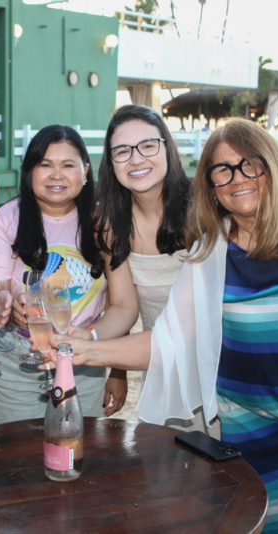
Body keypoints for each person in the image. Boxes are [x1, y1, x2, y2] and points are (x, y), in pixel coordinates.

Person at [48, 118, 278, 533]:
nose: (237, 178)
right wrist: (87, 350)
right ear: (209, 185)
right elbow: (172, 340)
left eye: (250, 165)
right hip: (244, 434)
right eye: (221, 170)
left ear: (273, 166)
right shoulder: (212, 250)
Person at [0, 125, 137, 426]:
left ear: (85, 171)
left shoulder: (103, 222)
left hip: (85, 357)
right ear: (30, 171)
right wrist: (10, 305)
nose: (57, 175)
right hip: (19, 356)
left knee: (76, 450)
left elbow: (122, 305)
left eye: (68, 165)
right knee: (11, 455)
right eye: (45, 165)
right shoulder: (7, 219)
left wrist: (112, 363)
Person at [88, 104, 219, 436]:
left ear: (167, 147)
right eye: (122, 151)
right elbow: (123, 307)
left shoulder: (205, 209)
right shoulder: (108, 223)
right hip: (159, 369)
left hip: (219, 370)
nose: (136, 159)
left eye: (148, 145)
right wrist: (108, 360)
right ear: (110, 161)